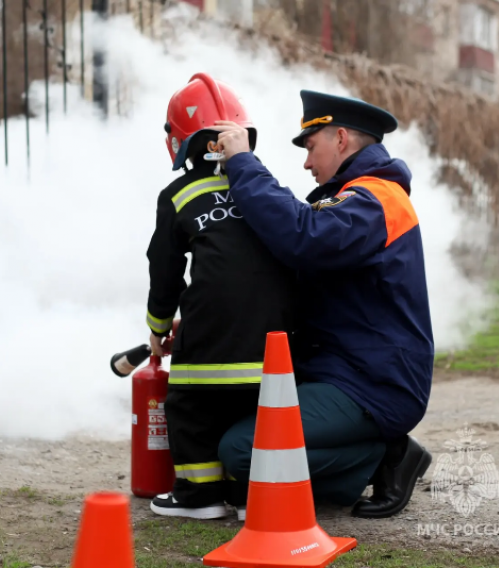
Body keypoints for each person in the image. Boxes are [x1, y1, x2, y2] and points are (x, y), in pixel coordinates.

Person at [211, 90, 434, 519]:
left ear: (342, 139)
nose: (307, 163)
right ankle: (379, 449)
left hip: (374, 384)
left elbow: (303, 238)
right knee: (235, 434)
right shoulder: (348, 200)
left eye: (312, 147)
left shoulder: (377, 199)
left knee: (242, 452)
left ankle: (384, 458)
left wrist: (243, 163)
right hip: (346, 373)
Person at [145, 73, 297, 520]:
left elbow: (165, 270)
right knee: (255, 414)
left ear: (181, 142)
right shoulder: (269, 191)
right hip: (273, 341)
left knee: (190, 406)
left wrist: (158, 328)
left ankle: (200, 495)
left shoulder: (178, 195)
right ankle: (253, 494)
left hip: (208, 339)